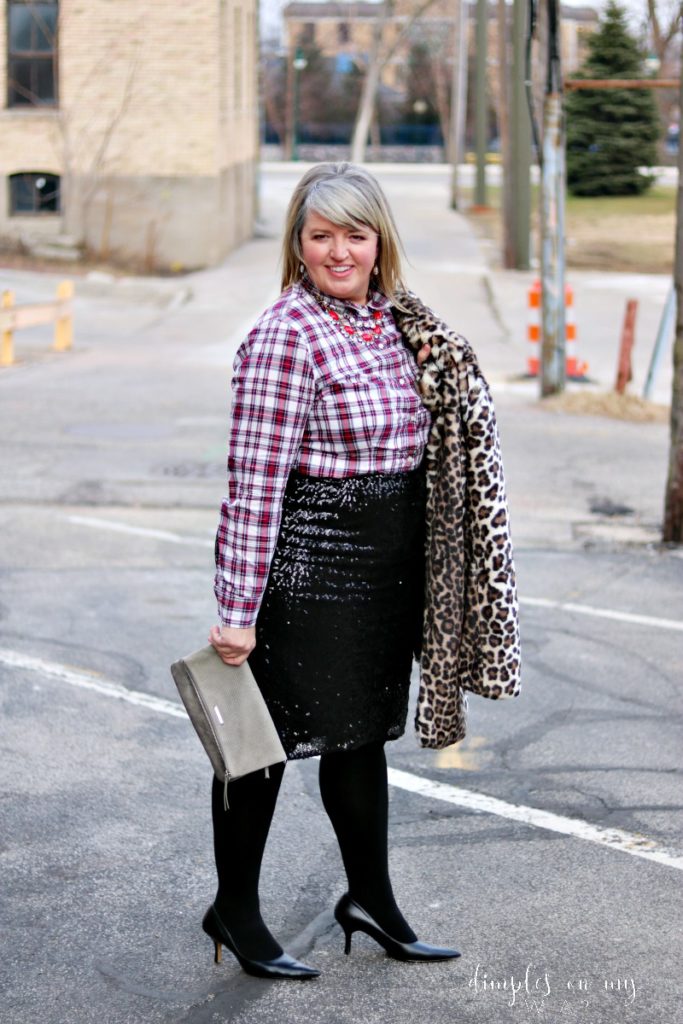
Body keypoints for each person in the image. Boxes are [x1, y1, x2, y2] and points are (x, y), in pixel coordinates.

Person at [205, 162, 462, 980]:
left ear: (379, 240)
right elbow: (253, 487)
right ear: (299, 243)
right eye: (321, 235)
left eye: (355, 233)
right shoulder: (288, 333)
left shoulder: (391, 323)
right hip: (309, 567)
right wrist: (237, 608)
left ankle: (371, 902)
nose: (339, 251)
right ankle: (236, 912)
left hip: (384, 568)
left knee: (362, 739)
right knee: (261, 746)